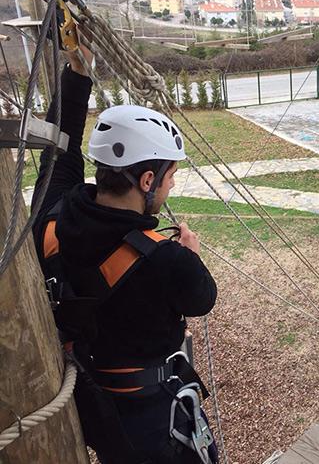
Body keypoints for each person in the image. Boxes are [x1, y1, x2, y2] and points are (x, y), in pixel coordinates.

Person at [31, 44, 218, 463]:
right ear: (148, 179)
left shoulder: (52, 220)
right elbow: (202, 300)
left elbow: (58, 155)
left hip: (97, 409)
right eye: (170, 177)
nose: (171, 186)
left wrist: (78, 73)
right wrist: (192, 254)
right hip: (155, 418)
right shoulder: (168, 260)